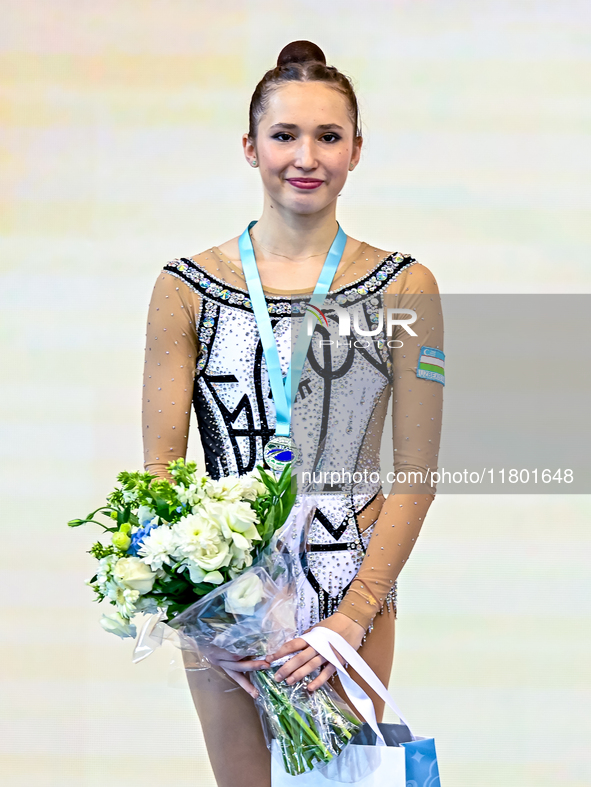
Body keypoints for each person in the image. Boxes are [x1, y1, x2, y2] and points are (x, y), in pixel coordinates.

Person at [142, 40, 444, 787]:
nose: (304, 156)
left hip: (348, 582)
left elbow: (417, 471)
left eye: (328, 136)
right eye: (284, 136)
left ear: (355, 151)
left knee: (339, 783)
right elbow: (161, 470)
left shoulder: (401, 285)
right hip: (222, 590)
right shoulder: (186, 287)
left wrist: (353, 615)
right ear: (250, 147)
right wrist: (199, 597)